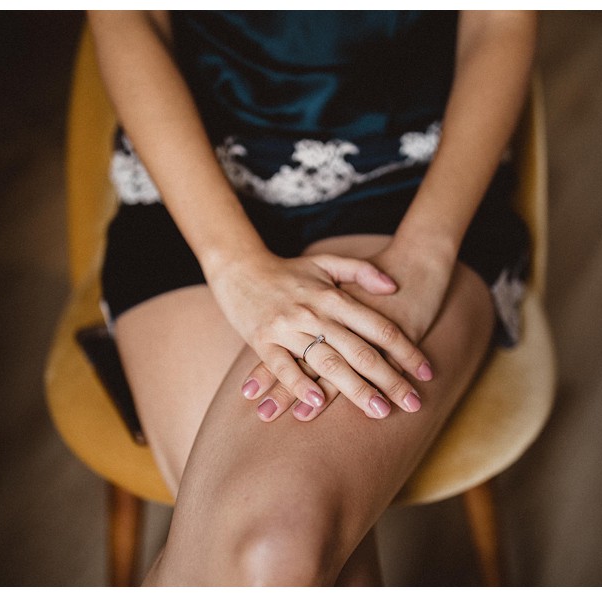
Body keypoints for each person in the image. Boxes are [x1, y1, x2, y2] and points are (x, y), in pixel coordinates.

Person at [90, 11, 535, 585]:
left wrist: (425, 256)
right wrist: (235, 266)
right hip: (193, 190)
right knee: (284, 555)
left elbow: (500, 25)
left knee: (277, 546)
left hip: (415, 190)